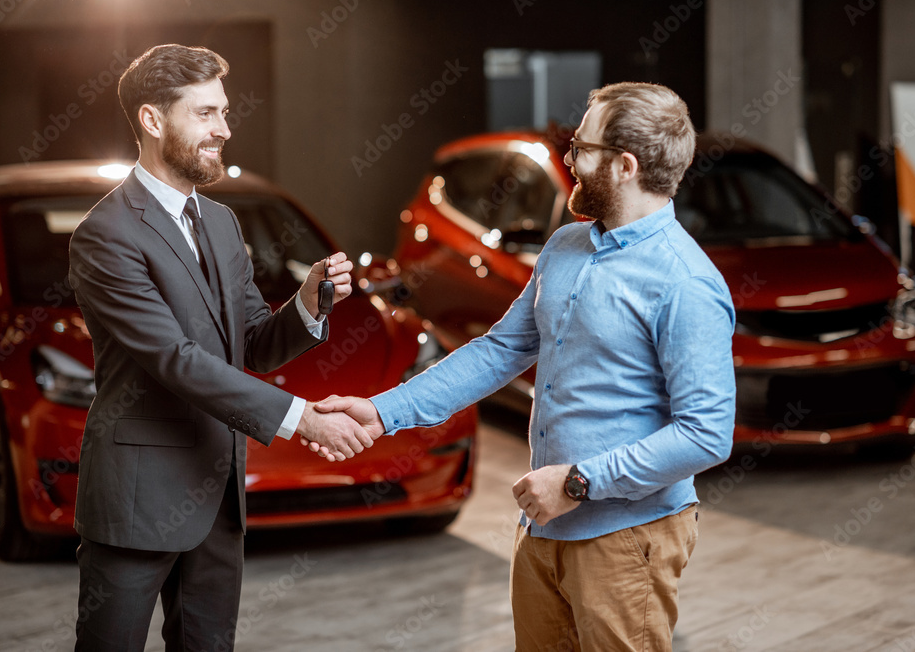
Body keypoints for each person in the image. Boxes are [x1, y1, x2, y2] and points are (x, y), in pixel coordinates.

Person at [311, 82, 736, 650]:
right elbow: (500, 350)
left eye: (582, 149)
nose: (571, 161)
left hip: (625, 536)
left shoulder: (685, 282)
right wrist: (382, 411)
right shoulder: (564, 246)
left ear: (625, 165)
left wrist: (580, 483)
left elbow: (706, 434)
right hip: (545, 524)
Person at [68, 44, 370, 651]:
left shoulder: (222, 223)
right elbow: (175, 361)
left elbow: (253, 343)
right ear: (153, 121)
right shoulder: (104, 236)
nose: (224, 130)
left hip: (217, 494)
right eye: (205, 114)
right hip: (137, 499)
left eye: (224, 113)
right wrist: (302, 419)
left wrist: (308, 301)